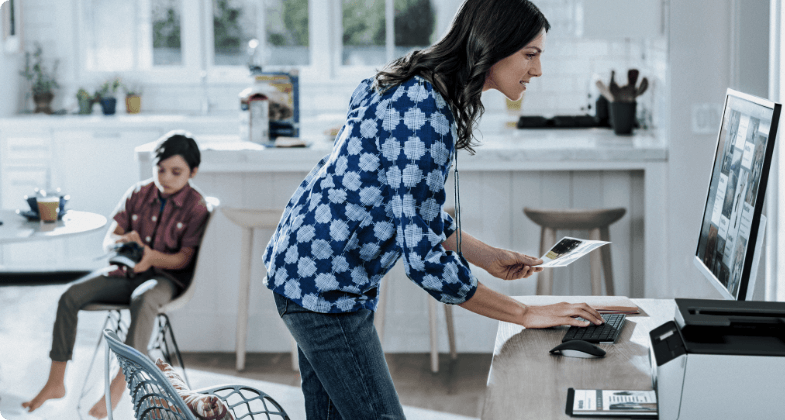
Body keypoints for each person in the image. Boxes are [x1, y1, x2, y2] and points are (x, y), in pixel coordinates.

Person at [262, 0, 605, 418]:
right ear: (491, 46)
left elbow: (410, 209)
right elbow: (424, 262)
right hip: (324, 285)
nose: (537, 70)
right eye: (529, 55)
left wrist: (487, 255)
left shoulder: (419, 84)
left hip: (305, 265)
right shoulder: (424, 113)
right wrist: (525, 313)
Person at [22, 131, 210, 418]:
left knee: (143, 299)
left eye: (176, 172)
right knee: (70, 296)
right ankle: (56, 381)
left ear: (192, 172)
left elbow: (185, 258)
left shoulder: (196, 206)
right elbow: (110, 238)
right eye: (160, 170)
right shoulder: (138, 193)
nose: (166, 178)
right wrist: (121, 242)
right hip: (125, 273)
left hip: (165, 280)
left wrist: (152, 259)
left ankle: (118, 387)